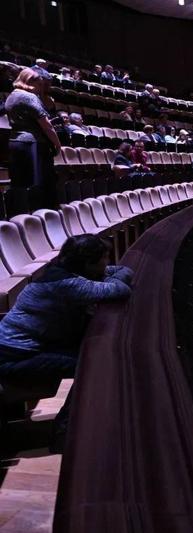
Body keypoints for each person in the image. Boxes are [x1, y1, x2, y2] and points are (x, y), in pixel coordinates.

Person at [0, 235, 134, 449]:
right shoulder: (66, 284)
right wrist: (106, 279)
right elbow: (120, 289)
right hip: (13, 357)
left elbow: (123, 271)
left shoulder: (60, 273)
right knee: (91, 365)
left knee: (93, 355)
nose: (107, 263)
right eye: (104, 258)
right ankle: (65, 430)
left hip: (24, 350)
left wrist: (103, 276)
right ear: (88, 263)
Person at [5, 68, 61, 215]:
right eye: (40, 85)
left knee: (20, 184)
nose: (41, 88)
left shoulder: (11, 96)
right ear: (29, 81)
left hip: (15, 142)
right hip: (33, 143)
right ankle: (42, 217)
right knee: (39, 184)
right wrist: (57, 143)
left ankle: (21, 216)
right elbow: (46, 125)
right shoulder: (29, 97)